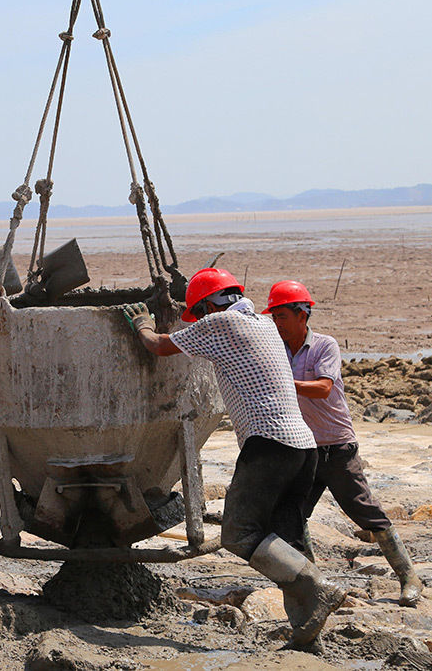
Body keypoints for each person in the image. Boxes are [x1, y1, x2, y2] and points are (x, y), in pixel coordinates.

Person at [123, 268, 344, 648]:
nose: (201, 320)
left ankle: (318, 587)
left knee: (238, 534)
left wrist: (141, 323)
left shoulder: (220, 323)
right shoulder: (261, 323)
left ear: (208, 305)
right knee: (287, 541)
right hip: (303, 448)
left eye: (200, 313)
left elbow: (160, 345)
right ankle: (307, 634)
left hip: (268, 444)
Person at [264, 280, 424, 607]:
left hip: (337, 449)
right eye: (274, 317)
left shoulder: (325, 346)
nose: (277, 323)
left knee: (366, 513)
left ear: (302, 315)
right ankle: (315, 584)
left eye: (281, 316)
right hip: (302, 450)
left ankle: (408, 576)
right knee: (292, 518)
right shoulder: (276, 349)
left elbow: (322, 388)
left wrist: (281, 380)